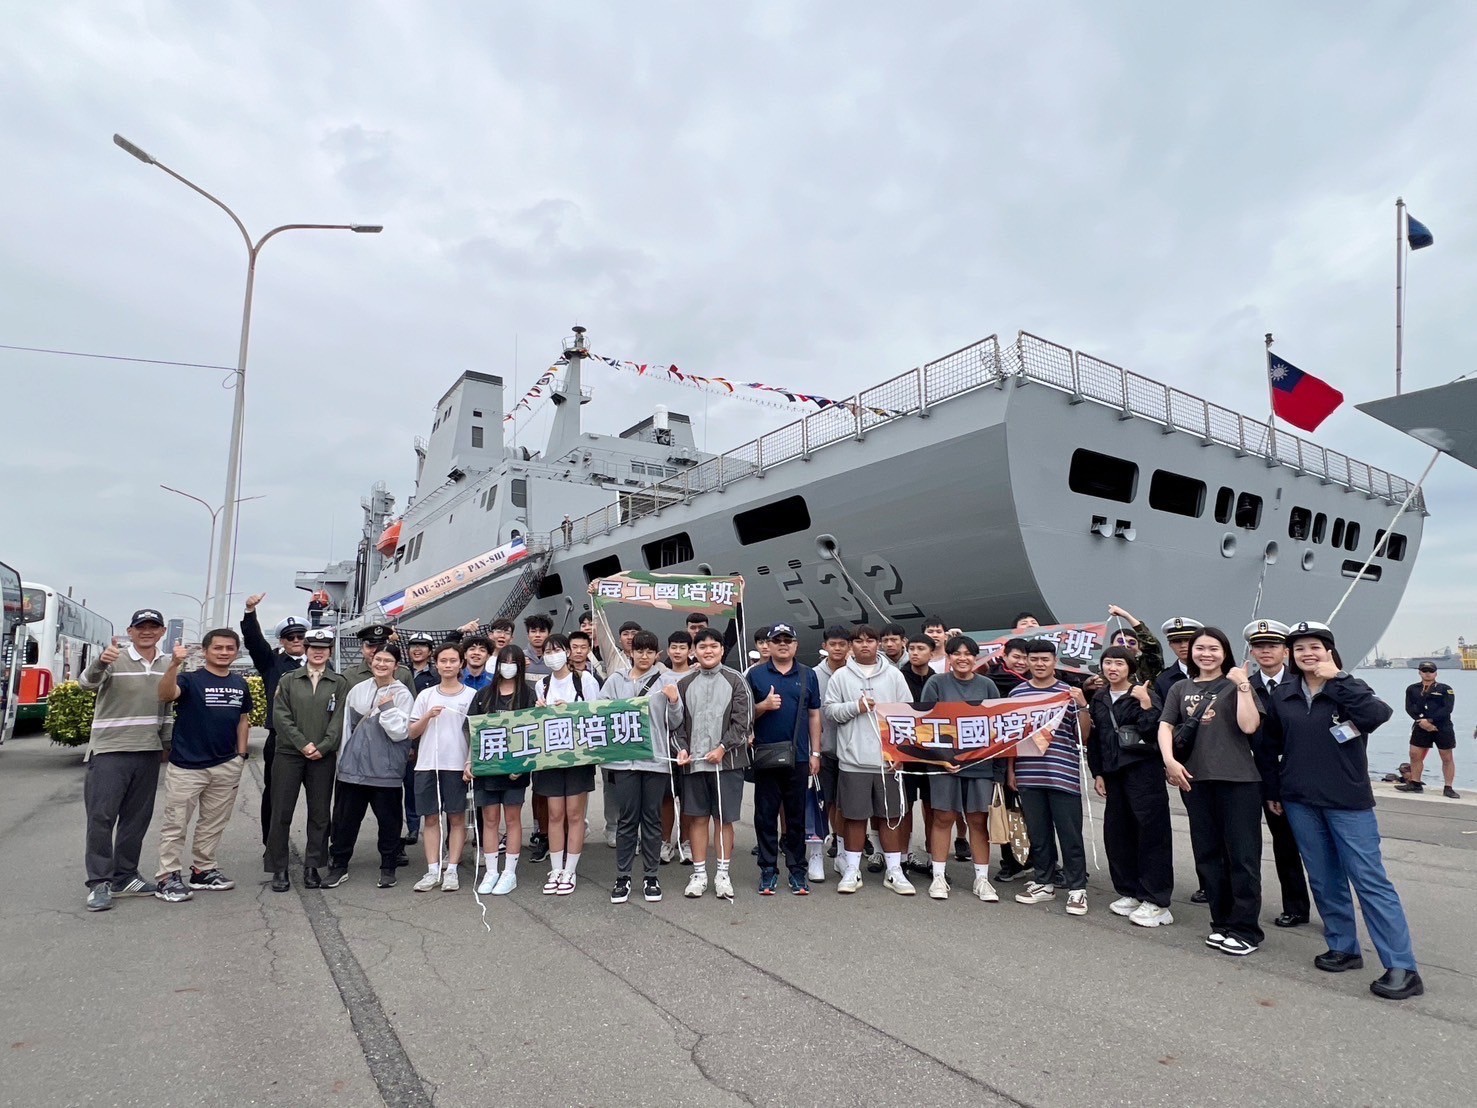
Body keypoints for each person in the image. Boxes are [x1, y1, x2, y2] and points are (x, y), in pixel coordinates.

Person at [1260, 621, 1421, 1000]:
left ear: (1330, 650)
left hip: (1347, 802)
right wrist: (1274, 790)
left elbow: (1376, 716)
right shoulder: (1284, 693)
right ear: (1291, 656)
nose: (1307, 653)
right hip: (1300, 799)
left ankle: (1402, 966)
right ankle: (1343, 947)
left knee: (1370, 881)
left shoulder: (1348, 689)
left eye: (1315, 646)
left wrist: (1338, 679)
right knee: (1324, 878)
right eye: (1300, 649)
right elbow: (1270, 746)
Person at [1157, 627, 1264, 956]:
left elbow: (1249, 726)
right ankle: (1221, 923)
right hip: (1195, 780)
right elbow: (1166, 726)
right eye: (1199, 648)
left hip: (1239, 782)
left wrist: (1243, 686)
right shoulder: (1179, 687)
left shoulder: (1237, 685)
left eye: (1213, 648)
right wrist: (1170, 762)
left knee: (1242, 857)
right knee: (1208, 856)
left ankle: (1246, 929)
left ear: (1225, 652)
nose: (1206, 653)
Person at [153, 630, 253, 902]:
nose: (223, 652)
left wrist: (240, 756)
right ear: (206, 651)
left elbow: (243, 719)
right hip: (187, 766)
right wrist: (174, 665)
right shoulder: (189, 679)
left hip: (225, 765)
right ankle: (167, 876)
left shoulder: (239, 683)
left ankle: (203, 870)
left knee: (213, 822)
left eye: (229, 648)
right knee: (175, 824)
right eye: (218, 648)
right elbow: (165, 695)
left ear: (236, 652)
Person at [823, 625, 914, 895]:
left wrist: (901, 754)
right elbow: (829, 712)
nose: (865, 645)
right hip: (853, 760)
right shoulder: (840, 676)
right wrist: (856, 707)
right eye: (859, 641)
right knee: (853, 817)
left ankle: (894, 870)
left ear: (878, 645)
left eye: (870, 641)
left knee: (890, 817)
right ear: (852, 646)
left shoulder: (894, 676)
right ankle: (851, 869)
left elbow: (907, 715)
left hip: (887, 761)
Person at [1086, 645, 1172, 927]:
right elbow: (1096, 740)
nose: (1113, 668)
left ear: (1130, 668)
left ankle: (1157, 900)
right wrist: (1097, 772)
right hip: (1114, 773)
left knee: (1151, 833)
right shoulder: (1098, 698)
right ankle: (1130, 891)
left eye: (1120, 664)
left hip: (1143, 772)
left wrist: (1146, 703)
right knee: (1118, 833)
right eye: (1108, 663)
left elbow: (1155, 732)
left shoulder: (1143, 694)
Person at [916, 635, 1002, 902]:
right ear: (949, 657)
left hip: (980, 764)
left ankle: (982, 879)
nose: (962, 658)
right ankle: (939, 876)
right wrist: (942, 758)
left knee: (977, 820)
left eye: (968, 653)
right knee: (943, 818)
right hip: (944, 764)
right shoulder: (936, 683)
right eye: (957, 653)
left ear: (976, 658)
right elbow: (925, 725)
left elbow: (997, 727)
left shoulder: (987, 685)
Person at [602, 631, 684, 904]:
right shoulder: (615, 681)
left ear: (657, 654)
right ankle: (623, 876)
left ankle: (651, 876)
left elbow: (675, 723)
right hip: (624, 762)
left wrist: (673, 701)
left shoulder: (667, 681)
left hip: (655, 761)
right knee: (627, 820)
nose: (644, 656)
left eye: (650, 651)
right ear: (631, 653)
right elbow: (599, 714)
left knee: (652, 821)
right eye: (640, 651)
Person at [1010, 640, 1091, 915]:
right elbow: (1011, 738)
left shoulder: (1068, 693)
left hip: (1063, 774)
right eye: (1034, 659)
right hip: (1028, 774)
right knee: (1039, 833)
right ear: (1027, 661)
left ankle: (1077, 888)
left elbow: (1085, 735)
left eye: (1045, 659)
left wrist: (1082, 706)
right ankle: (1043, 882)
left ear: (1054, 661)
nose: (1040, 664)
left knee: (1070, 834)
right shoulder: (1018, 693)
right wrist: (1011, 771)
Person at [1243, 619, 1313, 929]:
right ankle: (1295, 907)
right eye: (1259, 646)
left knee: (1315, 848)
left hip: (1301, 775)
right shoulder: (1245, 686)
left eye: (1272, 645)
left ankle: (1331, 908)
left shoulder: (1302, 684)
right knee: (1281, 845)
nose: (1265, 651)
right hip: (1259, 775)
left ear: (1285, 651)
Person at [267, 627, 348, 892]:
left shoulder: (338, 682)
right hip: (289, 754)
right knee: (281, 811)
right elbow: (281, 716)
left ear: (330, 652)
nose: (318, 652)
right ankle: (279, 867)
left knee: (320, 813)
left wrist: (323, 747)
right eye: (313, 648)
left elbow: (339, 721)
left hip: (322, 757)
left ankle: (313, 865)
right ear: (306, 649)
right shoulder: (289, 680)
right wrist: (303, 744)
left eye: (323, 649)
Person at [326, 644, 413, 889]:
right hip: (353, 768)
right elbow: (346, 728)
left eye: (387, 660)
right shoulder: (357, 690)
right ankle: (339, 865)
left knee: (389, 820)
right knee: (345, 820)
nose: (381, 664)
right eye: (378, 659)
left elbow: (399, 733)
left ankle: (388, 867)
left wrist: (387, 708)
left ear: (396, 666)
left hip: (386, 770)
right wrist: (342, 760)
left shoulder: (403, 694)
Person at [675, 628, 753, 900]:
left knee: (723, 819)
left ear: (722, 650)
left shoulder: (736, 681)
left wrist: (722, 748)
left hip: (727, 764)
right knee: (697, 819)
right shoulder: (685, 684)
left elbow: (743, 723)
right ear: (694, 651)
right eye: (703, 646)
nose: (708, 651)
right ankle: (698, 874)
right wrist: (682, 749)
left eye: (714, 646)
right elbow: (676, 725)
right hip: (694, 764)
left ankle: (722, 874)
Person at [746, 622, 821, 896]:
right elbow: (743, 716)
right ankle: (767, 869)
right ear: (768, 645)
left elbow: (814, 714)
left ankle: (797, 870)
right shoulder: (755, 675)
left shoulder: (807, 674)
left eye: (787, 640)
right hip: (766, 754)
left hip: (799, 756)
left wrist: (815, 752)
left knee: (796, 816)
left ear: (796, 645)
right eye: (777, 640)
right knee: (765, 815)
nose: (782, 644)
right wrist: (762, 707)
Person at [467, 644, 537, 896]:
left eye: (513, 662)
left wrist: (523, 764)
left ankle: (509, 872)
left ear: (520, 666)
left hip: (515, 770)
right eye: (503, 661)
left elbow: (534, 733)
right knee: (489, 819)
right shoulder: (484, 695)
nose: (508, 666)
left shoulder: (528, 696)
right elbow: (472, 732)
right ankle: (491, 870)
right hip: (487, 769)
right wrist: (469, 762)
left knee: (512, 819)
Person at [240, 596, 307, 848]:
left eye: (301, 636)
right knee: (275, 795)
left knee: (318, 800)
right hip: (280, 739)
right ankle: (273, 847)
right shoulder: (272, 663)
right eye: (291, 637)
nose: (297, 641)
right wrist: (250, 612)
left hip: (315, 738)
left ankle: (318, 852)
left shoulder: (319, 662)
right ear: (282, 641)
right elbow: (255, 643)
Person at [532, 634, 597, 894]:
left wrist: (570, 708)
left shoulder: (585, 680)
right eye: (548, 651)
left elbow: (597, 712)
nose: (552, 655)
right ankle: (556, 868)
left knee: (574, 814)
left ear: (568, 652)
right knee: (555, 814)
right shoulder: (543, 685)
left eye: (557, 649)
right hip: (551, 757)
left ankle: (570, 870)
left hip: (578, 757)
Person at [408, 642, 475, 892]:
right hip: (427, 764)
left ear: (461, 664)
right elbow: (412, 731)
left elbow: (475, 736)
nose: (448, 665)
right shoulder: (426, 696)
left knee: (457, 817)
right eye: (443, 661)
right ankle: (432, 869)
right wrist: (427, 716)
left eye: (453, 661)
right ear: (436, 664)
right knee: (431, 818)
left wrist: (470, 761)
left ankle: (453, 869)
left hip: (456, 765)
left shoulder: (470, 696)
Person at [814, 626, 853, 881]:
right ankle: (817, 851)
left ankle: (841, 850)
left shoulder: (856, 673)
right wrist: (813, 750)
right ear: (825, 645)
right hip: (825, 749)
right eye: (833, 644)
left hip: (852, 751)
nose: (837, 648)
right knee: (821, 803)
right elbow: (812, 714)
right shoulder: (814, 675)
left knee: (845, 804)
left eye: (842, 644)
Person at [1400, 662, 1459, 798]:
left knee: (1446, 757)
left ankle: (1448, 787)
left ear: (1436, 673)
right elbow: (1409, 707)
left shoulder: (1445, 689)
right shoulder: (1412, 689)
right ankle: (1415, 783)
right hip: (1421, 725)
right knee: (1415, 754)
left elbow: (1447, 708)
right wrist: (1421, 721)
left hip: (1442, 726)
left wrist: (1431, 721)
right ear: (1419, 672)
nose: (1427, 673)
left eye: (1430, 671)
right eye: (1424, 671)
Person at [663, 630, 695, 864]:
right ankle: (665, 842)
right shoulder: (659, 675)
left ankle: (685, 841)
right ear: (667, 651)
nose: (677, 651)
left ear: (690, 651)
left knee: (687, 797)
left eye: (682, 647)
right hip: (664, 745)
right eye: (673, 647)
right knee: (665, 797)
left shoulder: (697, 675)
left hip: (691, 744)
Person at [342, 624, 414, 689]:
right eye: (370, 646)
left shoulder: (403, 674)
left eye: (380, 646)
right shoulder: (349, 675)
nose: (375, 650)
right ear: (362, 648)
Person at [1107, 603, 1164, 685]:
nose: (1126, 645)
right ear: (1111, 645)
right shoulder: (1105, 668)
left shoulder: (1147, 665)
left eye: (1132, 642)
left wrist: (1126, 616)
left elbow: (1153, 645)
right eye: (1121, 641)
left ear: (1139, 647)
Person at [1154, 617, 1203, 703]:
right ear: (1170, 645)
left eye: (1188, 640)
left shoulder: (1216, 673)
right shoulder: (1163, 679)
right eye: (1177, 641)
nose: (1183, 645)